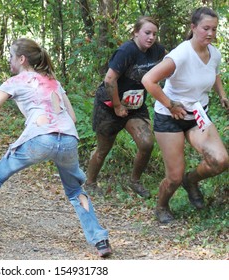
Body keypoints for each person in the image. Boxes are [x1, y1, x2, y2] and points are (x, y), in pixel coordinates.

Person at [0, 38, 113, 258]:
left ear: (22, 59)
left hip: (40, 140)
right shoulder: (53, 80)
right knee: (75, 191)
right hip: (68, 140)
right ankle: (100, 240)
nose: (9, 60)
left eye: (11, 56)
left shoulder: (16, 81)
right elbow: (71, 117)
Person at [141, 7, 229, 224]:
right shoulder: (180, 54)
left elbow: (214, 73)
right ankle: (162, 206)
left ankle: (191, 181)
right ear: (193, 27)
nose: (210, 33)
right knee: (173, 177)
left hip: (197, 115)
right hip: (170, 117)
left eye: (214, 29)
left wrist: (222, 95)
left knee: (220, 160)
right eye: (205, 28)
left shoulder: (213, 53)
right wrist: (170, 105)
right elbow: (148, 80)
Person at [86, 16, 165, 198]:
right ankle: (90, 182)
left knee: (146, 143)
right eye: (147, 33)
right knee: (103, 149)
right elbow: (109, 79)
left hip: (135, 106)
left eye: (154, 34)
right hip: (109, 105)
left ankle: (134, 181)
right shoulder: (126, 51)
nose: (151, 37)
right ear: (136, 32)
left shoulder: (158, 51)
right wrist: (117, 105)